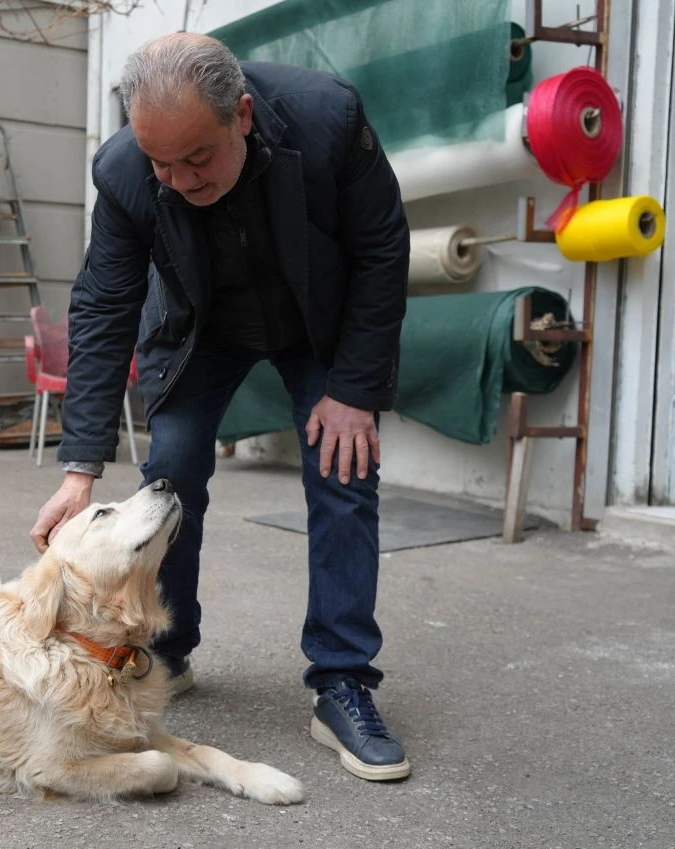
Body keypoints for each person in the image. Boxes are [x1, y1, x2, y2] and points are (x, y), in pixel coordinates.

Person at [29, 31, 411, 782]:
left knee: (344, 468)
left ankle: (342, 682)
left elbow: (381, 250)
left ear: (240, 115)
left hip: (315, 320)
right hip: (201, 326)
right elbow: (105, 305)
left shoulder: (327, 120)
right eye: (160, 164)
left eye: (195, 159)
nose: (174, 179)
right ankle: (166, 650)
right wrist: (80, 466)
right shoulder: (126, 171)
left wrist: (354, 391)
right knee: (168, 470)